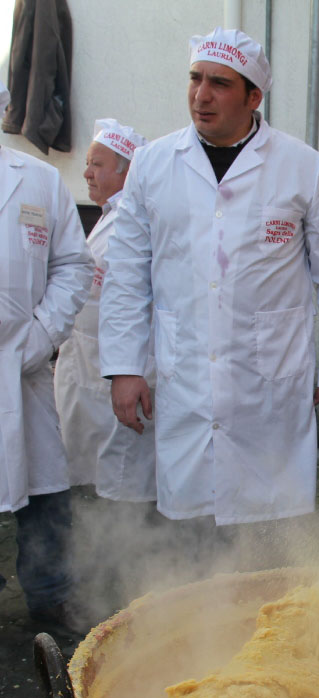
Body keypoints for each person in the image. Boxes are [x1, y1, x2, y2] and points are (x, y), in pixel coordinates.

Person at [99, 28, 319, 527]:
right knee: (190, 531)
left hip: (268, 382)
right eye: (196, 79)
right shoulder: (153, 165)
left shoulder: (302, 167)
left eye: (220, 83)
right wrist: (124, 367)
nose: (202, 95)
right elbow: (127, 276)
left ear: (254, 96)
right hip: (185, 379)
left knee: (270, 533)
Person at [0, 80, 94, 634]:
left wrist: (41, 335)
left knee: (44, 494)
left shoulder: (36, 182)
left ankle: (51, 597)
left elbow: (73, 265)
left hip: (24, 363)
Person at [54, 118, 155, 502]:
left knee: (122, 477)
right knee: (87, 473)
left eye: (97, 164)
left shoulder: (137, 221)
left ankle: (128, 551)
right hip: (85, 365)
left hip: (119, 371)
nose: (86, 173)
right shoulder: (107, 216)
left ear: (125, 171)